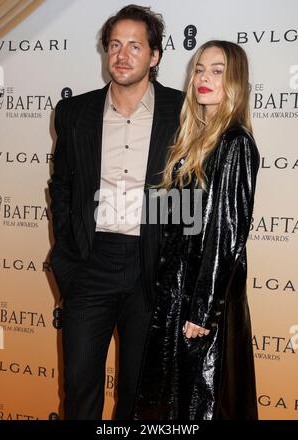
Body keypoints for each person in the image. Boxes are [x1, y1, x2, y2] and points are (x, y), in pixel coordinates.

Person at [49, 4, 183, 420]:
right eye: (114, 45)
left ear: (155, 56)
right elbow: (63, 189)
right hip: (90, 264)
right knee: (78, 388)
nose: (122, 55)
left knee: (139, 396)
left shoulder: (183, 113)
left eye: (135, 46)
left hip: (152, 268)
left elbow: (192, 196)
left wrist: (174, 268)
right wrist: (69, 261)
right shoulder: (74, 112)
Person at [134, 40, 259, 420]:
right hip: (174, 295)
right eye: (200, 69)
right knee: (168, 408)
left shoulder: (234, 143)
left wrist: (203, 311)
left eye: (217, 71)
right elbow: (175, 221)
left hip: (200, 307)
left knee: (199, 406)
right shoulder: (191, 141)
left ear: (234, 80)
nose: (204, 78)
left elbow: (226, 236)